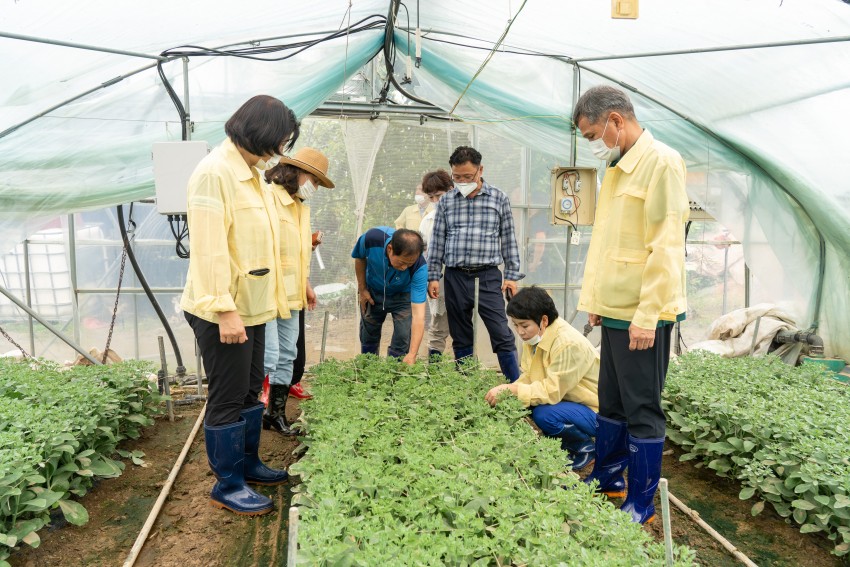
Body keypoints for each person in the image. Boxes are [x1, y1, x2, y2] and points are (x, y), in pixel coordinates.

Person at [573, 85, 689, 525]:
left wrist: (646, 316)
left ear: (616, 121)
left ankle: (641, 502)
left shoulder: (661, 163)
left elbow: (665, 247)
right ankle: (608, 478)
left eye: (593, 135)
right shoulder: (618, 166)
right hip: (617, 308)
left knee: (642, 407)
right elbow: (608, 243)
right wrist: (597, 300)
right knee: (612, 400)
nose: (594, 144)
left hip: (645, 313)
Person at [181, 95, 300, 516]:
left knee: (251, 389)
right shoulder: (215, 173)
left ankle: (247, 464)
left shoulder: (252, 175)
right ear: (261, 132)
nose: (281, 149)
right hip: (224, 310)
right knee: (228, 397)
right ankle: (227, 484)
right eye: (280, 139)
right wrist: (224, 309)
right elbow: (210, 249)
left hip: (254, 306)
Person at [426, 146, 523, 382]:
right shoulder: (447, 201)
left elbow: (509, 239)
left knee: (500, 330)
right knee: (460, 333)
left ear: (480, 170)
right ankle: (466, 385)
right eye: (456, 177)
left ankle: (515, 384)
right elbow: (438, 239)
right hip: (456, 275)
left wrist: (510, 275)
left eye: (467, 177)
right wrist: (433, 276)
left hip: (488, 275)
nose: (462, 181)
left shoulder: (498, 198)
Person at [484, 287, 600, 470]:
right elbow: (530, 375)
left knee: (544, 414)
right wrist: (508, 391)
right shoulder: (536, 337)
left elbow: (552, 392)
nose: (520, 332)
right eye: (515, 325)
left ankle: (586, 448)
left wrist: (513, 390)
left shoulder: (566, 343)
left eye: (524, 325)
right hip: (573, 402)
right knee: (525, 400)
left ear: (544, 320)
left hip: (596, 411)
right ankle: (566, 447)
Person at [262, 147, 334, 436]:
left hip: (291, 294)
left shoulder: (301, 208)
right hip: (266, 294)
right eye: (314, 180)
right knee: (266, 356)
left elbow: (297, 254)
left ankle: (274, 414)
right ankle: (247, 415)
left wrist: (305, 286)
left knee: (287, 354)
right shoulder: (268, 199)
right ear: (297, 173)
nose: (314, 187)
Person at [352, 227, 427, 364]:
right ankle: (368, 369)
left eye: (409, 264)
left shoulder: (419, 267)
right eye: (402, 262)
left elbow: (419, 317)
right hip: (373, 292)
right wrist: (362, 289)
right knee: (369, 332)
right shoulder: (371, 239)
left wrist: (412, 354)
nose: (405, 268)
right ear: (390, 249)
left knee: (403, 335)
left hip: (403, 296)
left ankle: (394, 373)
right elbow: (359, 257)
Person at [418, 170, 453, 358]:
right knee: (438, 325)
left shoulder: (462, 216)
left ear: (451, 189)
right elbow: (422, 250)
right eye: (431, 197)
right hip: (437, 281)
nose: (436, 201)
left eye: (439, 195)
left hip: (461, 281)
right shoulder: (428, 221)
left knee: (463, 327)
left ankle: (465, 369)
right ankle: (434, 370)